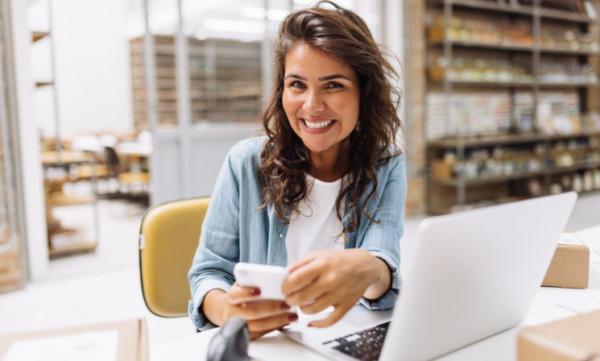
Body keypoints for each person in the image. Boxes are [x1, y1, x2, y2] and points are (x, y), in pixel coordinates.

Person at [188, 0, 406, 339]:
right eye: (297, 85)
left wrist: (370, 269)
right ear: (282, 90)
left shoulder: (386, 163)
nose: (312, 106)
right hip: (269, 346)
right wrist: (226, 310)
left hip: (345, 339)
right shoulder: (245, 163)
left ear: (364, 92)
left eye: (333, 85)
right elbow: (208, 275)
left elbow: (382, 267)